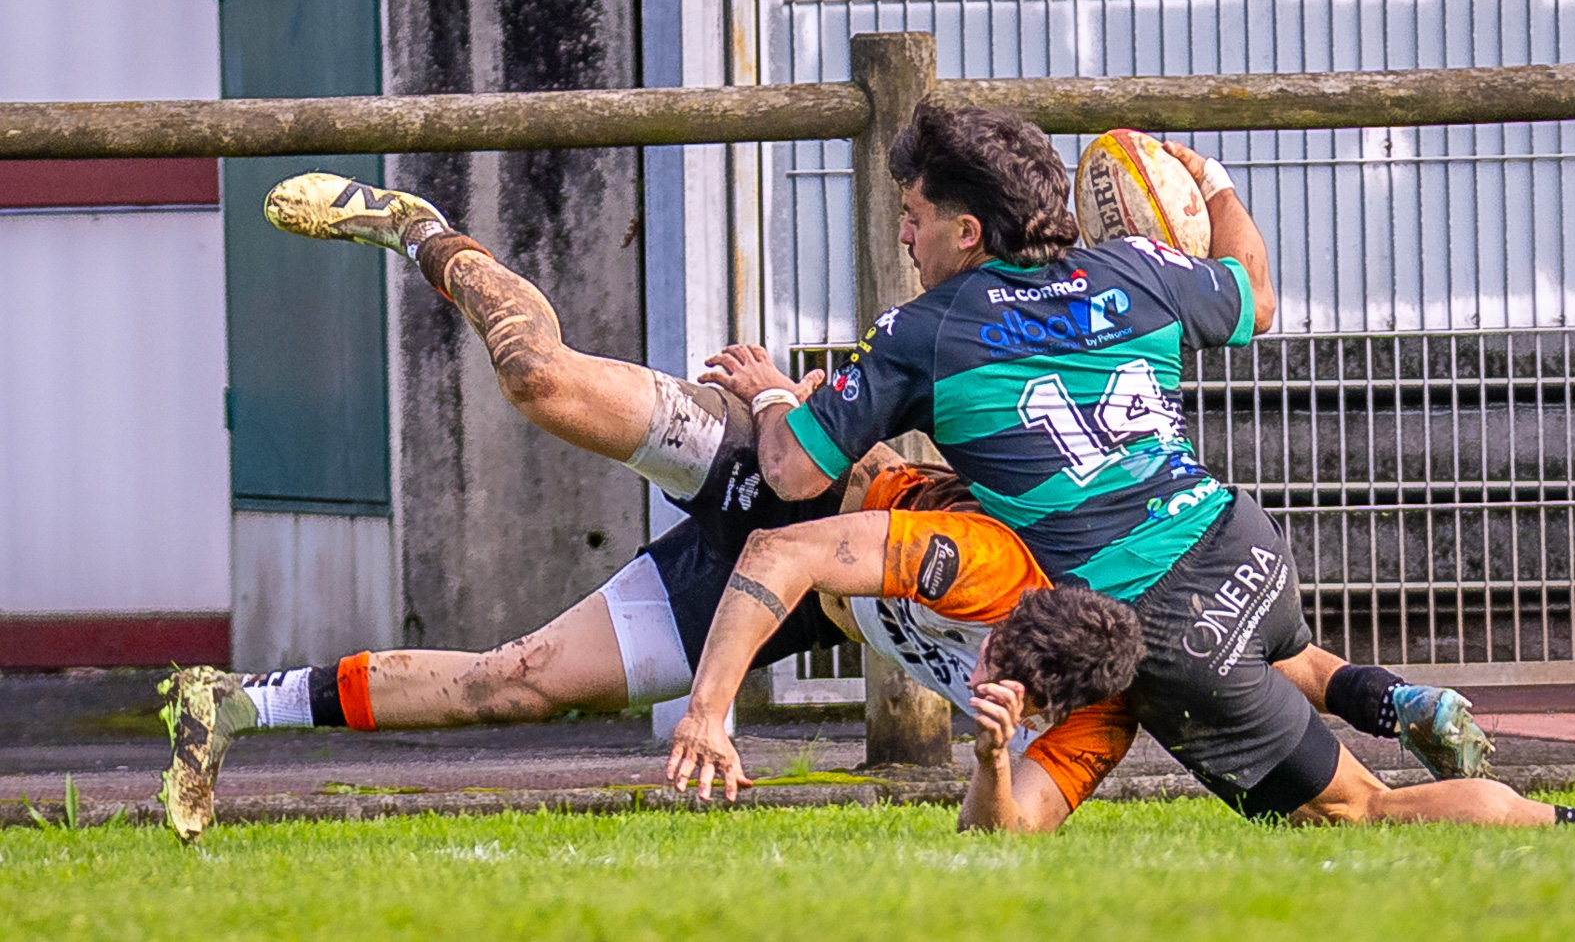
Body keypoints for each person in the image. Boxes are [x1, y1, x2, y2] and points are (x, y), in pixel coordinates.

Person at [163, 169, 1456, 843]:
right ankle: (424, 228)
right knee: (542, 380)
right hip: (797, 486)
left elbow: (1033, 813)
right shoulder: (986, 560)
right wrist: (712, 705)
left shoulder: (1105, 705)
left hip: (800, 589)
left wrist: (988, 758)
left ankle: (231, 700)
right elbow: (791, 540)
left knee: (516, 683)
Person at [671, 105, 1575, 829]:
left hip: (1158, 619)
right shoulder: (1138, 268)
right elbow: (1255, 293)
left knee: (1360, 809)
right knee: (1289, 660)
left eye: (915, 215)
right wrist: (1214, 183)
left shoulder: (926, 329)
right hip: (1238, 538)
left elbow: (792, 474)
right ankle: (1399, 701)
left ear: (967, 229)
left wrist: (772, 393)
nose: (905, 235)